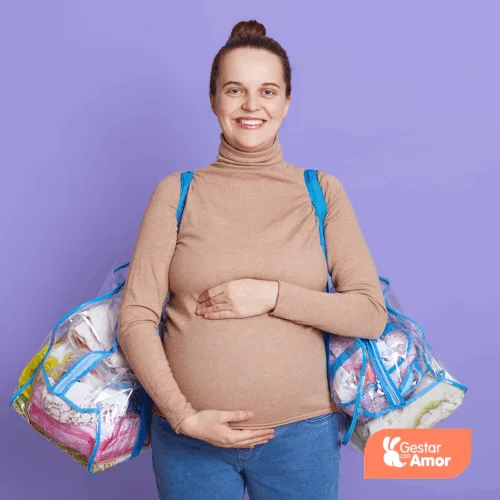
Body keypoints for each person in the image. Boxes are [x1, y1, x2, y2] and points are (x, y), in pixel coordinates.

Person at [117, 19, 388, 500]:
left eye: (267, 91)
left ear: (286, 101)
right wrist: (183, 416)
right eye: (234, 90)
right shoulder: (177, 192)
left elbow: (369, 313)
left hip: (302, 440)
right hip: (189, 441)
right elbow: (135, 317)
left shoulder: (320, 191)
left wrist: (272, 295)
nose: (251, 105)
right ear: (213, 100)